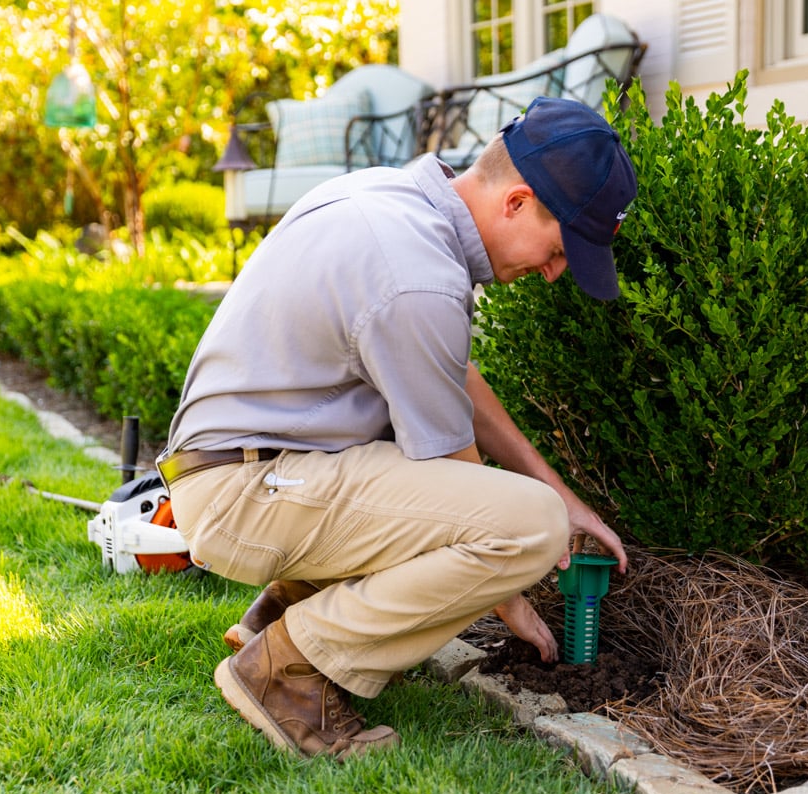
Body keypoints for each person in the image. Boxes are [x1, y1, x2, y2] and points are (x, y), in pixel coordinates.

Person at [158, 95, 636, 760]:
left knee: (531, 509)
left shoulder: (400, 201)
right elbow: (463, 494)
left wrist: (562, 492)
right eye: (559, 250)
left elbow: (453, 375)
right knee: (527, 526)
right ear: (518, 201)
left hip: (246, 472)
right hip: (249, 490)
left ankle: (284, 613)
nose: (555, 273)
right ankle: (287, 669)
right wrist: (509, 593)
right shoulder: (419, 278)